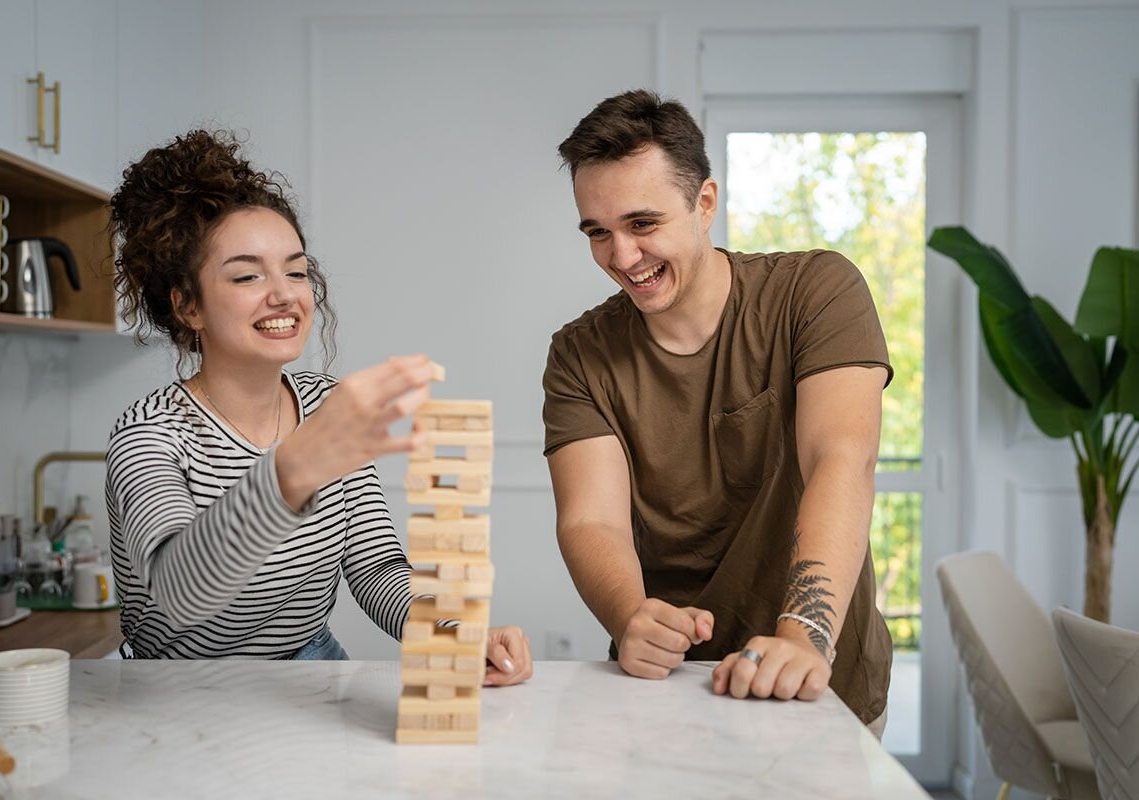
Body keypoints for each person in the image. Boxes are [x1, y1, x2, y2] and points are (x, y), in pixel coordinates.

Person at [104, 129, 532, 685]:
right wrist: (290, 472)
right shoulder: (150, 434)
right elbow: (181, 595)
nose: (284, 294)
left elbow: (377, 567)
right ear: (188, 305)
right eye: (247, 274)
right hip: (177, 688)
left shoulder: (324, 404)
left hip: (309, 673)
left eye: (296, 270)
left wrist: (452, 633)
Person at [542, 90, 892, 734]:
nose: (621, 258)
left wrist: (804, 634)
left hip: (821, 682)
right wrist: (628, 615)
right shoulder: (578, 354)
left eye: (642, 224)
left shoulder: (816, 292)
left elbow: (840, 459)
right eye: (598, 232)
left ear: (704, 203)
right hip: (670, 689)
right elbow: (591, 518)